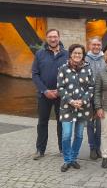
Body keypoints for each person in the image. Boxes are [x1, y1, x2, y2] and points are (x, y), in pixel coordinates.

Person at [57, 44, 94, 172]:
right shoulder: (63, 68)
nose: (77, 55)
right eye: (75, 53)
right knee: (66, 134)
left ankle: (73, 158)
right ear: (70, 54)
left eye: (80, 53)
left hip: (83, 107)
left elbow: (91, 87)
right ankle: (67, 160)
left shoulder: (88, 69)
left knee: (78, 135)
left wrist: (82, 101)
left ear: (83, 55)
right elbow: (60, 88)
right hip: (67, 107)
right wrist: (71, 101)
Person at [32, 29, 68, 160]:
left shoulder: (66, 54)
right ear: (46, 38)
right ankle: (40, 149)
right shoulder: (40, 54)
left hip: (62, 95)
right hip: (44, 95)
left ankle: (63, 149)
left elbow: (70, 75)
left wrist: (60, 90)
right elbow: (35, 74)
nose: (53, 39)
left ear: (59, 37)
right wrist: (45, 90)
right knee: (42, 122)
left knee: (61, 122)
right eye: (50, 37)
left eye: (55, 37)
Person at [85, 36, 106, 160]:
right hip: (88, 96)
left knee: (99, 124)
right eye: (94, 45)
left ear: (101, 46)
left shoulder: (105, 59)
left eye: (98, 45)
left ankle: (98, 147)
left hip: (101, 95)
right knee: (89, 124)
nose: (96, 47)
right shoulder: (85, 59)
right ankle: (92, 147)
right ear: (89, 46)